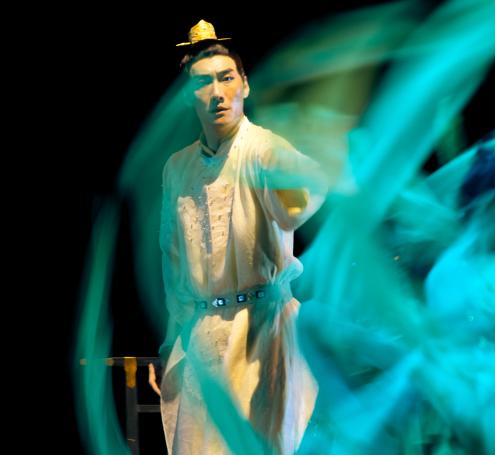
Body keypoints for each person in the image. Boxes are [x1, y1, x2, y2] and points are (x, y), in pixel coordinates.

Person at [152, 20, 327, 454]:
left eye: (226, 78)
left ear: (244, 85)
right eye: (203, 82)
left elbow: (301, 198)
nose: (217, 92)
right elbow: (173, 260)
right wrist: (171, 338)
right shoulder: (178, 168)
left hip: (261, 333)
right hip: (201, 336)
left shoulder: (264, 149)